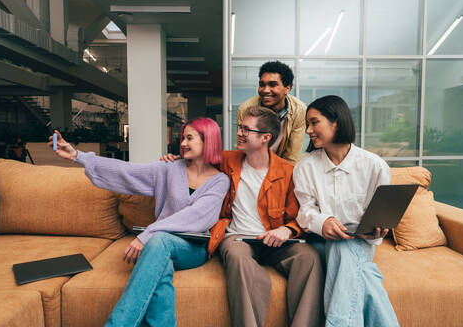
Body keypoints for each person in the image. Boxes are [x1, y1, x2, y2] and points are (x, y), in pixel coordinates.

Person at [49, 117, 230, 327]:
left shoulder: (220, 180)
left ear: (208, 141)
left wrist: (148, 234)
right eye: (182, 138)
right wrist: (77, 156)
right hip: (159, 246)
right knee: (161, 271)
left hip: (192, 248)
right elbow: (126, 171)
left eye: (189, 138)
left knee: (160, 240)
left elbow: (198, 216)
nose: (182, 143)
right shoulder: (169, 168)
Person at [163, 106, 323, 327]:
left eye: (246, 130)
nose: (239, 133)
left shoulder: (288, 172)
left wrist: (286, 230)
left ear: (265, 138)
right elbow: (195, 161)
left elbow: (299, 215)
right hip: (236, 238)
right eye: (240, 128)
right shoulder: (226, 161)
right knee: (238, 257)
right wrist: (175, 160)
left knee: (309, 257)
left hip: (275, 241)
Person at [292, 95, 399, 327]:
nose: (308, 130)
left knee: (347, 246)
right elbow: (305, 211)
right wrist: (323, 222)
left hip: (360, 243)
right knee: (363, 272)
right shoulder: (305, 167)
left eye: (314, 122)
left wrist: (379, 230)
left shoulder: (375, 165)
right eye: (307, 124)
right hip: (321, 243)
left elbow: (382, 213)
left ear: (336, 122)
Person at [237, 61, 306, 165]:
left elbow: (292, 156)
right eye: (262, 85)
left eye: (273, 85)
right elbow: (244, 148)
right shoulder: (246, 109)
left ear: (287, 88)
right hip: (251, 164)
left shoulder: (299, 110)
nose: (265, 90)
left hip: (281, 165)